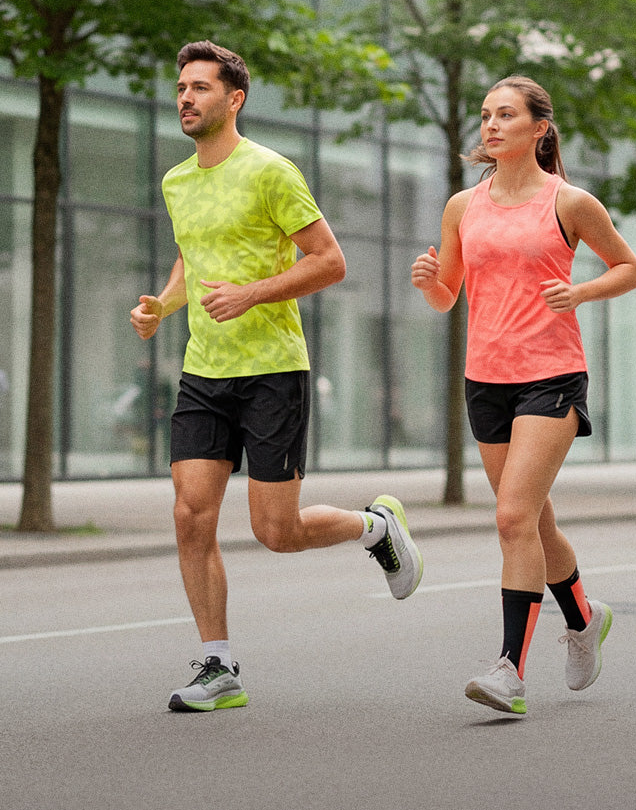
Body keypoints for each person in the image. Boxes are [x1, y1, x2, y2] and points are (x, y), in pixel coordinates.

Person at [130, 41, 422, 712]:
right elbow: (191, 260)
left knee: (276, 531)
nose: (185, 98)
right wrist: (161, 306)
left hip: (272, 370)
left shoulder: (269, 171)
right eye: (181, 87)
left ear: (234, 99)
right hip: (204, 371)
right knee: (190, 515)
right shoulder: (177, 182)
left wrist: (252, 294)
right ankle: (218, 665)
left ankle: (376, 526)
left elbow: (329, 260)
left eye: (201, 87)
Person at [411, 75, 636, 716]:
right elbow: (447, 296)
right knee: (534, 520)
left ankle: (509, 670)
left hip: (552, 374)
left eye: (506, 115)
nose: (490, 125)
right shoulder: (463, 206)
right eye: (486, 115)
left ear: (539, 128)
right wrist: (430, 282)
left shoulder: (570, 202)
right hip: (485, 379)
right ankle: (584, 617)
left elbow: (630, 268)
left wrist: (581, 292)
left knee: (512, 517)